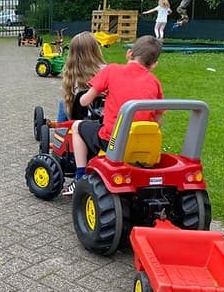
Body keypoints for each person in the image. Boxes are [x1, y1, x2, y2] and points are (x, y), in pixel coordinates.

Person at [63, 35, 164, 196]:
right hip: (142, 145)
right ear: (153, 64)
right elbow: (158, 121)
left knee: (76, 127)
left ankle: (79, 177)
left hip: (112, 140)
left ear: (129, 53)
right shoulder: (155, 82)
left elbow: (84, 101)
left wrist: (96, 93)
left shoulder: (111, 70)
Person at [57, 32, 106, 123]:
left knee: (63, 103)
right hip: (101, 117)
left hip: (78, 118)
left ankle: (60, 128)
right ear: (96, 49)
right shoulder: (106, 70)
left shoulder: (71, 72)